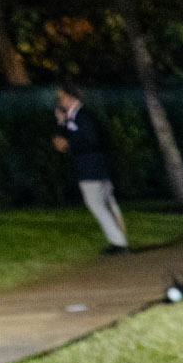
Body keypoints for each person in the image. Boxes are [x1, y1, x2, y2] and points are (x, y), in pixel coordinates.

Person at [51, 88, 128, 253]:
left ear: (71, 98)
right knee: (107, 204)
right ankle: (120, 241)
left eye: (62, 98)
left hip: (91, 168)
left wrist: (68, 143)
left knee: (96, 204)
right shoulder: (79, 116)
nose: (60, 102)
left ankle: (119, 242)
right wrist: (63, 124)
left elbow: (91, 139)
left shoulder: (83, 116)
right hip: (98, 167)